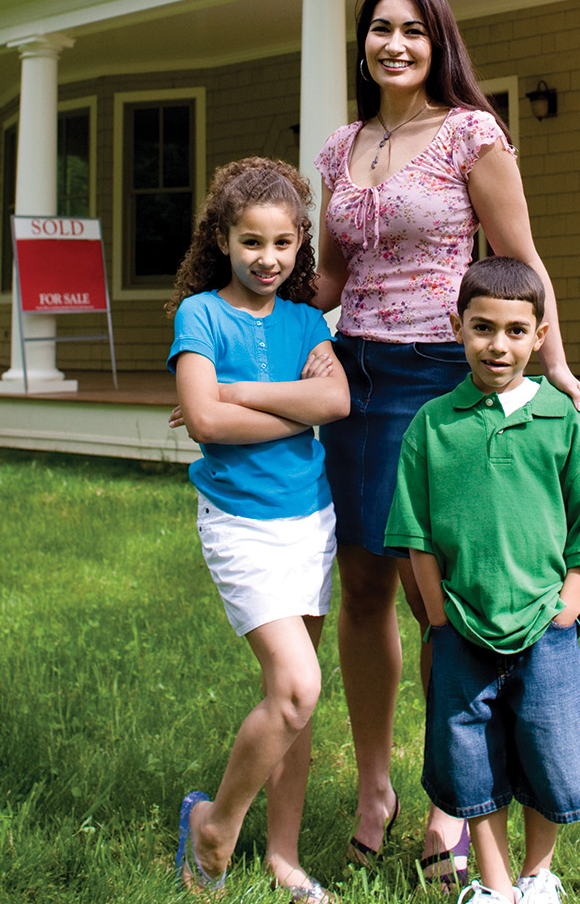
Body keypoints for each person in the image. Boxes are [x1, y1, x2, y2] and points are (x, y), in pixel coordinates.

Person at [314, 0, 580, 887]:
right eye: (379, 30)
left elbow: (518, 259)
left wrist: (554, 363)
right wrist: (234, 328)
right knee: (361, 586)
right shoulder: (337, 150)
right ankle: (373, 788)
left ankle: (454, 797)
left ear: (438, 42)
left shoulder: (473, 134)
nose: (394, 45)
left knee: (438, 598)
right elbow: (323, 283)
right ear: (362, 44)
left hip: (443, 384)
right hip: (355, 376)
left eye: (412, 31)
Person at [385, 255, 580, 904]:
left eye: (517, 331)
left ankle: (537, 876)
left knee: (550, 753)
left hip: (547, 627)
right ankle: (494, 887)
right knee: (472, 765)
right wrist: (438, 619)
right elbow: (417, 537)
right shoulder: (433, 426)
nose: (498, 345)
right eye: (483, 327)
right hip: (462, 629)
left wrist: (567, 606)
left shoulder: (561, 422)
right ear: (458, 327)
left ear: (540, 336)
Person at [166, 158, 350, 899]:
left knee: (292, 703)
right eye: (250, 242)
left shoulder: (309, 320)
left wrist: (241, 392)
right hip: (241, 524)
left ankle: (283, 856)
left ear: (300, 241)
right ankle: (215, 824)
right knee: (299, 687)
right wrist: (294, 400)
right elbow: (204, 421)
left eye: (281, 244)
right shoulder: (200, 316)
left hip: (311, 519)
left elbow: (336, 406)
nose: (266, 259)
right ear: (221, 238)